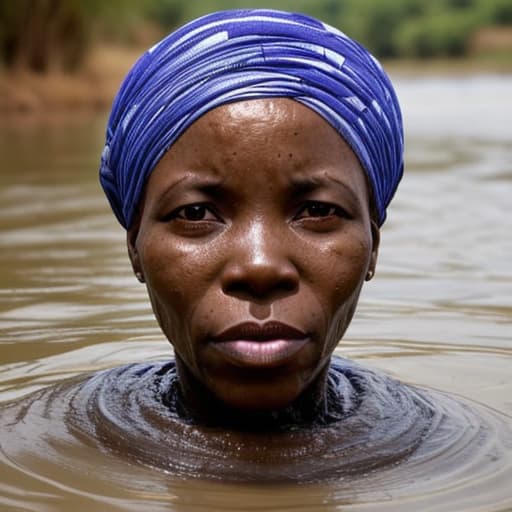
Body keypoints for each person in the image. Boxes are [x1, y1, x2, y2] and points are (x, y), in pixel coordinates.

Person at [2, 9, 501, 488]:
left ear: (373, 244)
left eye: (318, 211)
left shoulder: (469, 458)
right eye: (195, 214)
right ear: (135, 245)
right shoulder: (33, 444)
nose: (260, 266)